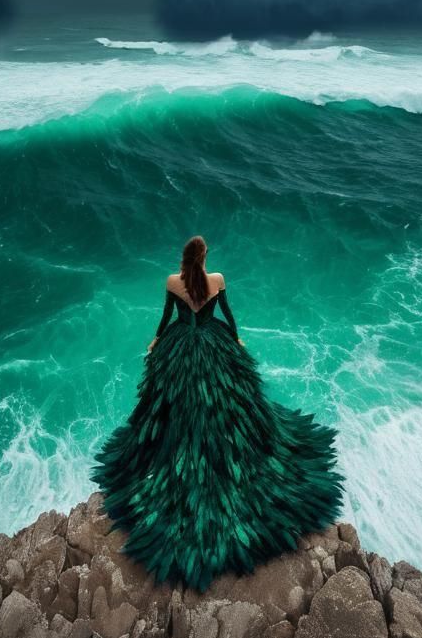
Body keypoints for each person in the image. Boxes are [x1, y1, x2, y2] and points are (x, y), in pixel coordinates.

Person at [90, 235, 345, 591]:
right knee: (231, 407)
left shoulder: (171, 282)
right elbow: (228, 315)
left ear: (183, 257)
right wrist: (236, 340)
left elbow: (166, 319)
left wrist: (156, 341)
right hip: (214, 343)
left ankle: (170, 460)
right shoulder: (219, 280)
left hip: (181, 346)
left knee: (172, 407)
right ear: (205, 256)